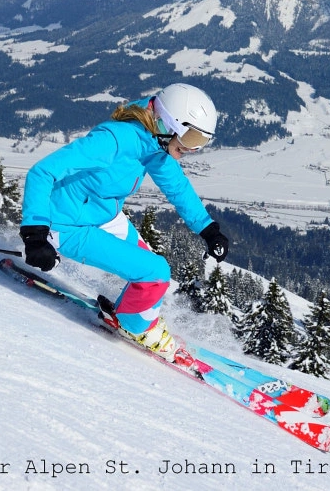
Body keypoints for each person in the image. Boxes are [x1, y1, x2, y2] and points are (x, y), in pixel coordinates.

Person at [18, 83, 231, 361]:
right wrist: (35, 234)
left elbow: (177, 187)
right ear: (169, 122)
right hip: (65, 224)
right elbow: (42, 172)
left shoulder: (153, 141)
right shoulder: (115, 140)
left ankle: (134, 316)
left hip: (103, 215)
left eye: (201, 143)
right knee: (155, 272)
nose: (192, 149)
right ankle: (136, 327)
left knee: (149, 273)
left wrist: (208, 229)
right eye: (190, 138)